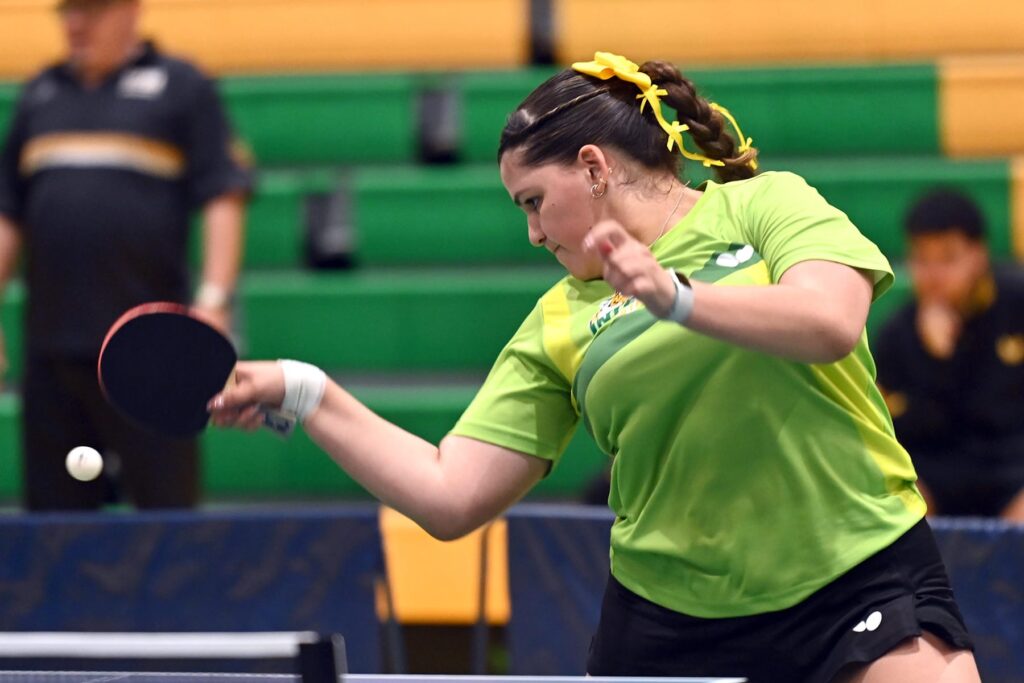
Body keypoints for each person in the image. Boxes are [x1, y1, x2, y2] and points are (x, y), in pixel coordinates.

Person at [209, 53, 979, 682]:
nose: (535, 233)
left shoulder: (763, 205)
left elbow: (830, 322)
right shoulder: (556, 320)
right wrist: (307, 392)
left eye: (535, 201)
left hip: (857, 570)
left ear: (593, 166)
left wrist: (676, 298)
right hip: (673, 621)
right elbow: (451, 496)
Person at [0, 0, 250, 510]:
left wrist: (215, 299)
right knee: (55, 528)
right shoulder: (39, 97)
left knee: (167, 521)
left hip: (152, 354)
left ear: (132, 11)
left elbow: (222, 195)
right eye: (67, 11)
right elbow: (8, 214)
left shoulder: (182, 87)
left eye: (90, 10)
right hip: (54, 354)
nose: (75, 24)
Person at [874, 189, 1024, 521]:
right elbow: (899, 434)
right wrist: (934, 360)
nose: (934, 274)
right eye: (922, 259)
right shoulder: (897, 336)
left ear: (979, 254)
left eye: (948, 258)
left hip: (1014, 466)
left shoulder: (1017, 304)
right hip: (938, 471)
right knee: (899, 505)